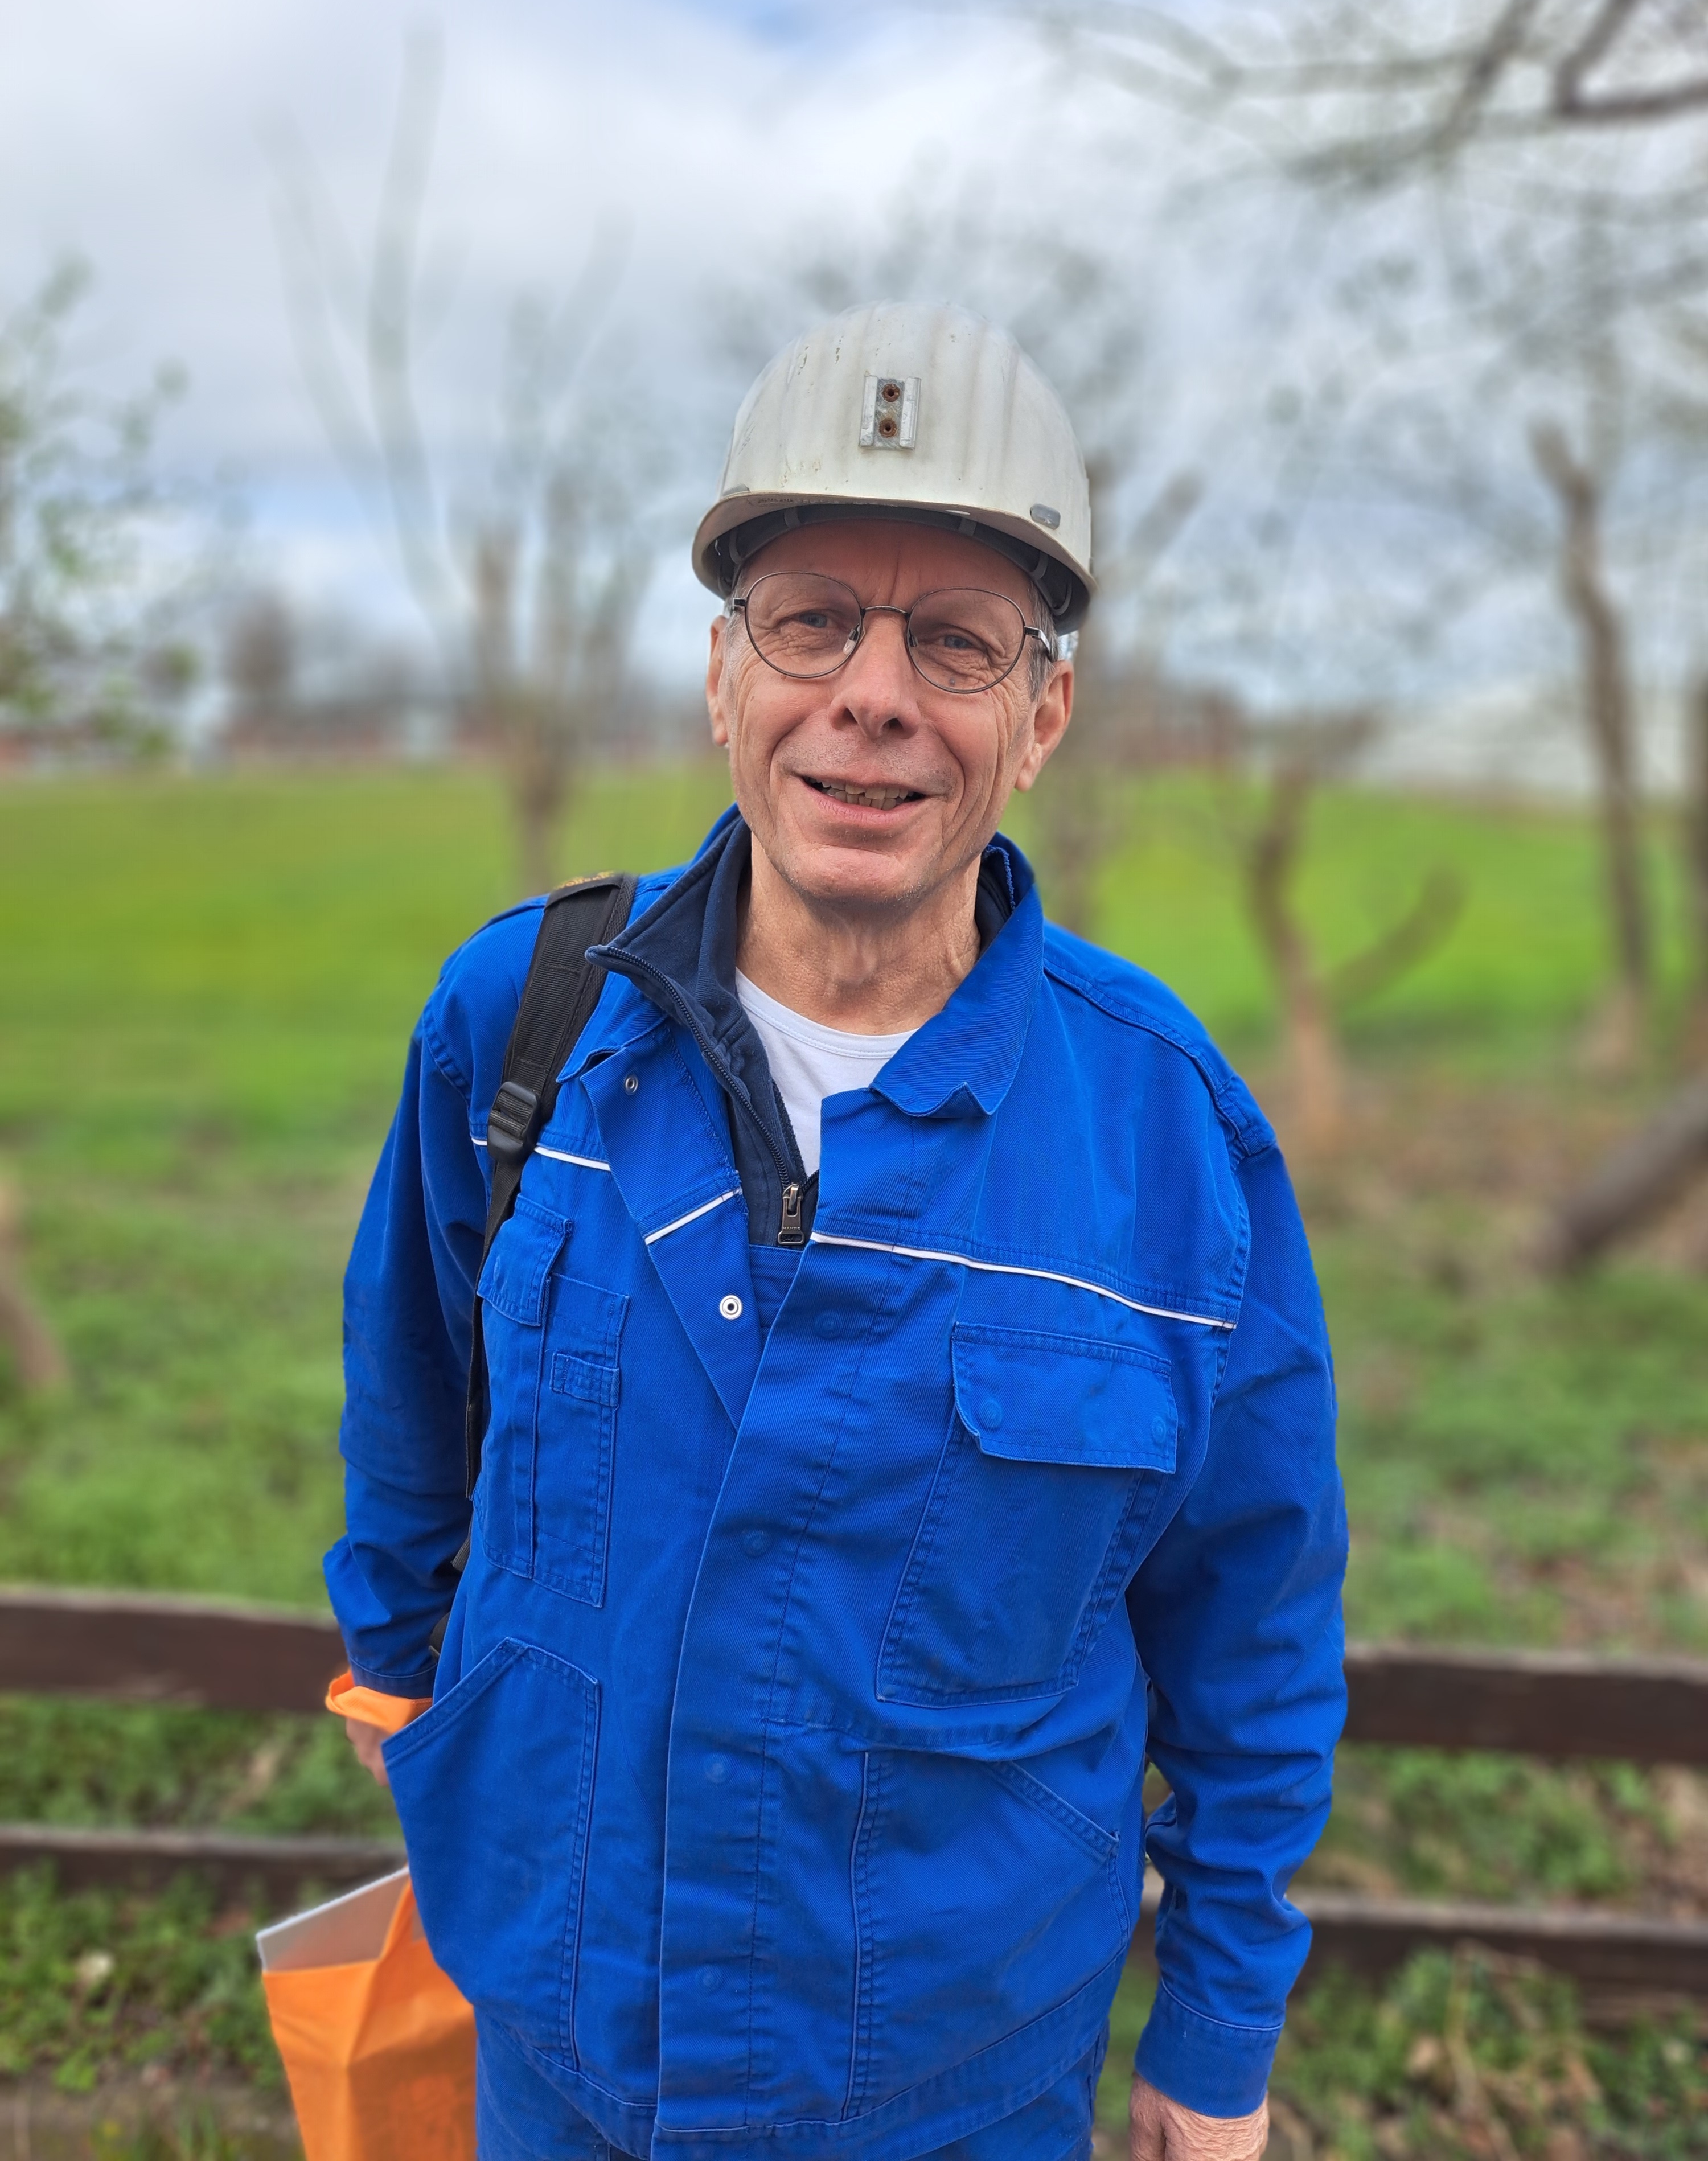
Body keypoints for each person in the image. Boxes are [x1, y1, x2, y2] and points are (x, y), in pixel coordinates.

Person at [323, 301, 1346, 2161]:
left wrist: (1216, 2037)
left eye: (954, 643)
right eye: (813, 623)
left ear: (1038, 719)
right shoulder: (523, 1022)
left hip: (953, 2092)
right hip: (555, 2042)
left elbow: (1253, 1614)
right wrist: (403, 1681)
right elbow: (415, 1379)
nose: (871, 693)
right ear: (727, 678)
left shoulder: (1166, 1138)